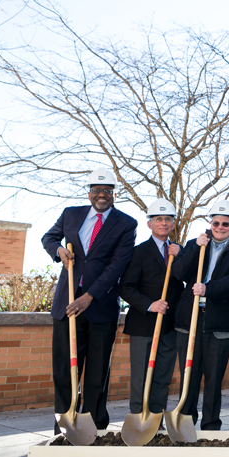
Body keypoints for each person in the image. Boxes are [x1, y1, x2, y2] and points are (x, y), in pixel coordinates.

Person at [42, 167, 137, 434]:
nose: (101, 195)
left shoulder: (126, 224)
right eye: (97, 190)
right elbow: (48, 237)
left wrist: (89, 296)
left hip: (100, 307)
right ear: (89, 193)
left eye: (107, 191)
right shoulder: (70, 214)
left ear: (114, 195)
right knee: (63, 370)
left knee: (96, 375)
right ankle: (63, 426)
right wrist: (58, 249)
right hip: (66, 306)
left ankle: (93, 427)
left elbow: (117, 266)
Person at [171, 199, 229, 430]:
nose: (220, 227)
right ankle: (185, 424)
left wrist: (208, 288)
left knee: (214, 380)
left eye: (226, 224)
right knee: (188, 375)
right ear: (210, 223)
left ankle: (211, 427)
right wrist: (195, 247)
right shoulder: (196, 244)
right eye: (216, 223)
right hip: (190, 319)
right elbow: (178, 273)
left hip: (219, 322)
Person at [119, 199, 184, 422]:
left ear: (173, 224)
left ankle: (155, 422)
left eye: (167, 219)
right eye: (158, 219)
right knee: (140, 377)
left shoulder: (179, 252)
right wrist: (150, 304)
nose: (163, 223)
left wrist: (182, 256)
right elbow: (125, 287)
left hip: (170, 326)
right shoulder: (138, 252)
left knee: (163, 377)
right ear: (150, 224)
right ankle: (139, 420)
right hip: (143, 324)